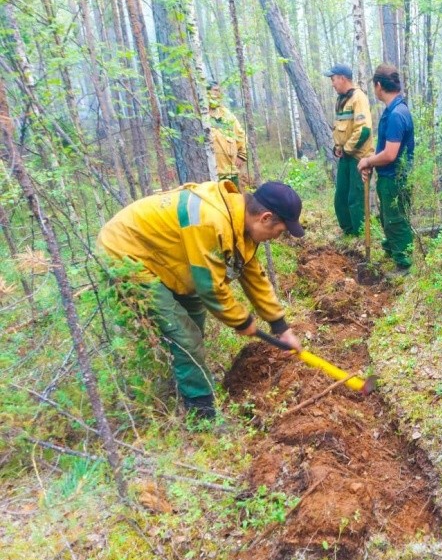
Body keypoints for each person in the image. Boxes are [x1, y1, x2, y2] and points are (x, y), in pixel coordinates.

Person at [98, 180, 304, 421]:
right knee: (185, 336)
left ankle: (189, 376)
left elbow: (252, 274)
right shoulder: (212, 221)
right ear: (265, 218)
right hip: (125, 253)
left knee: (194, 321)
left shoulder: (240, 220)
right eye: (280, 232)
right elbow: (211, 288)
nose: (276, 238)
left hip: (164, 256)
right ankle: (202, 416)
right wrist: (241, 321)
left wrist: (280, 327)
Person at [357, 64, 415, 274]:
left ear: (379, 85)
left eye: (374, 86)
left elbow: (390, 154)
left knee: (395, 218)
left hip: (395, 178)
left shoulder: (397, 115)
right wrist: (371, 161)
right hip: (390, 176)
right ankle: (392, 249)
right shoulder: (394, 110)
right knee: (388, 216)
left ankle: (404, 264)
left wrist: (368, 162)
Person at [324, 64, 373, 236]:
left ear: (343, 78)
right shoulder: (341, 99)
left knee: (355, 197)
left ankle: (359, 234)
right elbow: (341, 128)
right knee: (341, 196)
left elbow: (364, 129)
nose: (332, 83)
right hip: (345, 156)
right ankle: (348, 230)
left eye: (333, 79)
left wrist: (347, 148)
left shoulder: (358, 98)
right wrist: (338, 147)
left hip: (359, 157)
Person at [208, 82, 247, 188]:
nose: (218, 94)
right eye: (215, 90)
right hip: (210, 172)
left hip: (230, 170)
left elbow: (240, 134)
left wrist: (241, 156)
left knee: (233, 201)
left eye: (219, 91)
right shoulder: (201, 116)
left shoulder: (227, 115)